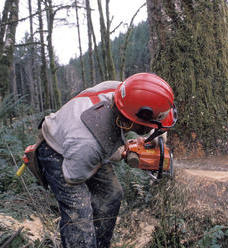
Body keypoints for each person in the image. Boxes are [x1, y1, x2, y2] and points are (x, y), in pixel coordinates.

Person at [36, 73, 177, 248]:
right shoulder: (88, 144)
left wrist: (155, 134)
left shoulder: (125, 92)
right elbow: (74, 176)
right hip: (59, 152)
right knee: (79, 213)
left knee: (112, 194)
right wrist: (118, 152)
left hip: (84, 139)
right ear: (133, 121)